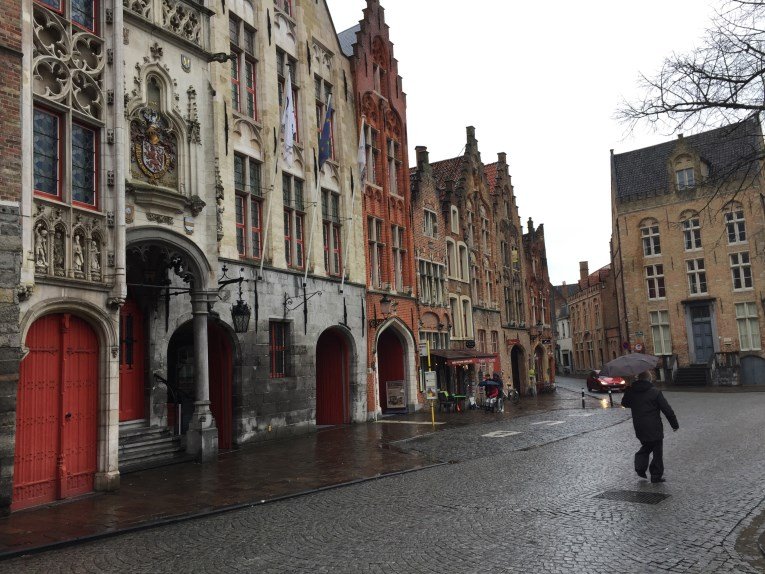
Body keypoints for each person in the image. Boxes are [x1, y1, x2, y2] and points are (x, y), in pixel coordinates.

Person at [621, 371, 679, 483]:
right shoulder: (655, 392)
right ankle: (656, 476)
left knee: (647, 446)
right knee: (657, 450)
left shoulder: (632, 391)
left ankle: (640, 467)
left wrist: (628, 390)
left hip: (639, 426)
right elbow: (667, 410)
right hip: (654, 426)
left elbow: (625, 403)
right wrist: (674, 424)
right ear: (649, 379)